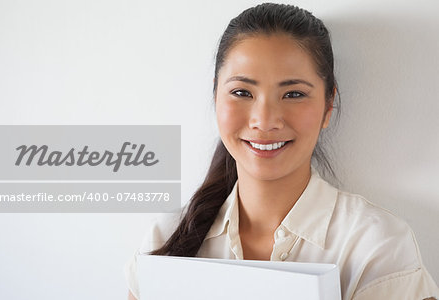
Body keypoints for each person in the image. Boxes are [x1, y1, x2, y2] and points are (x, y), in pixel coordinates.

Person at [125, 3, 439, 299]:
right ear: (215, 96)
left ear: (328, 105)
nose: (264, 120)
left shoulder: (376, 247)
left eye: (293, 93)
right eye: (241, 92)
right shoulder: (166, 237)